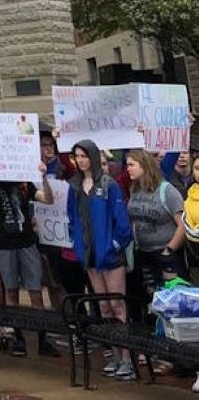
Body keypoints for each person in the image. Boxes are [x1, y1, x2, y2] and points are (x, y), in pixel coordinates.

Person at [67, 139, 134, 380]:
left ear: (93, 157)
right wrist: (78, 246)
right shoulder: (74, 187)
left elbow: (122, 222)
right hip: (90, 255)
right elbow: (72, 219)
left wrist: (114, 244)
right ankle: (115, 354)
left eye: (84, 155)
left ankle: (127, 358)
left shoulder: (108, 184)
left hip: (110, 256)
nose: (81, 160)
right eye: (77, 156)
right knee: (103, 306)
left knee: (117, 306)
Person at [0, 161, 57, 359]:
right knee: (11, 291)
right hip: (4, 243)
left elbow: (48, 199)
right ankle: (18, 337)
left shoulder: (25, 183)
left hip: (26, 242)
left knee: (35, 292)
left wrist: (42, 177)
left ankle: (42, 338)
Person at [126, 149, 186, 297]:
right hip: (144, 254)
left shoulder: (167, 190)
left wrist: (169, 250)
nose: (127, 169)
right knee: (152, 299)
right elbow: (134, 219)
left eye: (131, 165)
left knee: (171, 298)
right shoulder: (135, 190)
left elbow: (183, 225)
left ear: (144, 166)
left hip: (166, 254)